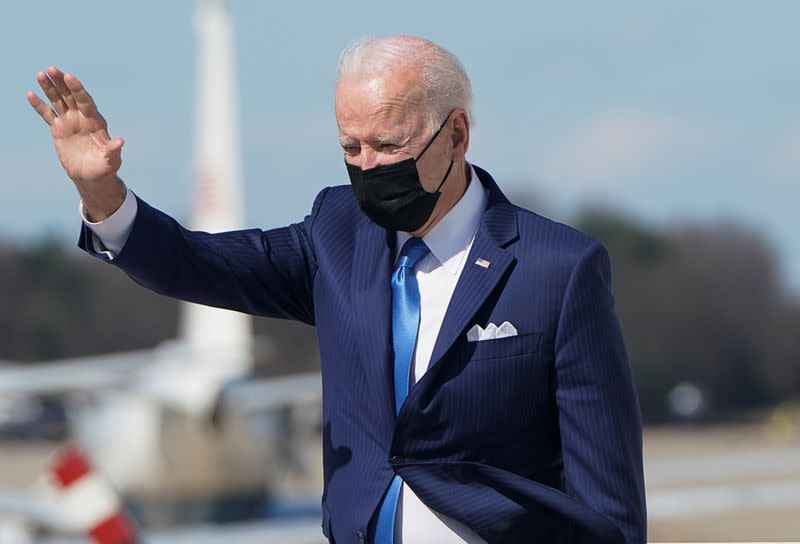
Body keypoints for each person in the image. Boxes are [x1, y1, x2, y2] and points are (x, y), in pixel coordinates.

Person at [27, 36, 646, 544]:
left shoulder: (558, 268)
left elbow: (609, 502)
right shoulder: (336, 235)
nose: (368, 167)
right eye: (351, 147)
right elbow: (196, 263)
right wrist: (103, 195)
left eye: (389, 144)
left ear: (456, 135)